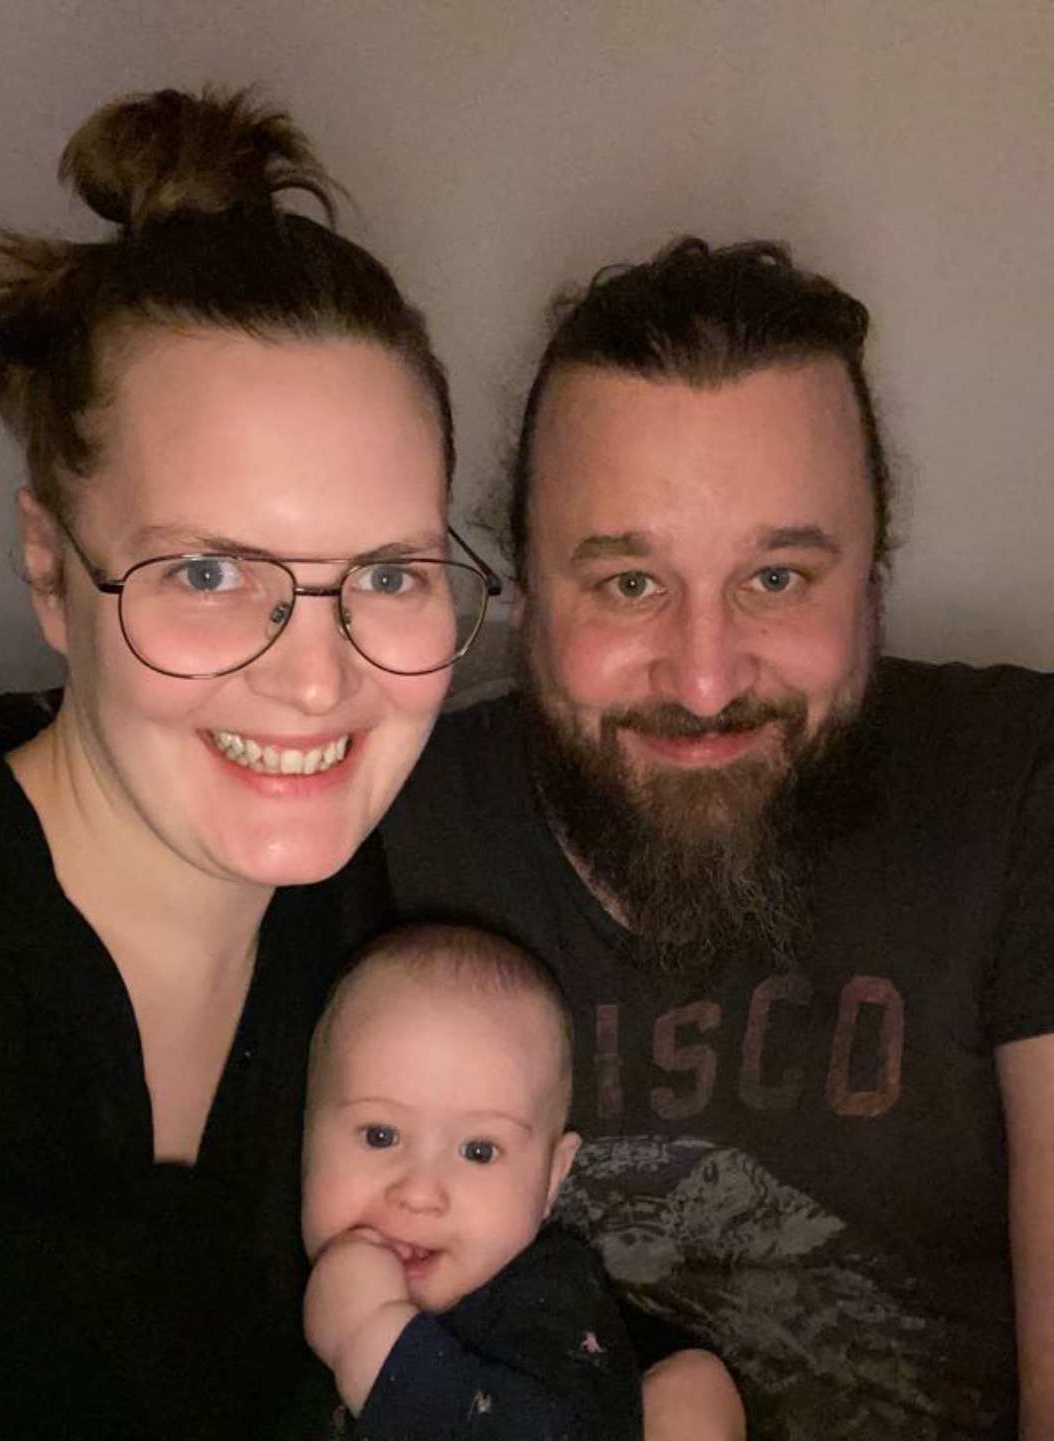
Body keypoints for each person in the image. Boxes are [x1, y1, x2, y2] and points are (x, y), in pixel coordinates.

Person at [375, 238, 1054, 1439]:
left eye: (778, 579)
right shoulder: (383, 825)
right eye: (628, 584)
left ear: (873, 586)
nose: (703, 679)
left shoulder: (1018, 786)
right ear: (523, 596)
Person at [0, 87, 499, 1439]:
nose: (318, 679)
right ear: (51, 572)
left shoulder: (351, 928)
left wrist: (672, 1377)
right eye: (208, 572)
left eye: (389, 573)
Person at [299, 920, 653, 1438]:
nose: (420, 1194)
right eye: (380, 1136)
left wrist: (370, 1342)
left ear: (552, 1178)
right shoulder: (268, 1285)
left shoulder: (555, 1304)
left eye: (479, 1151)